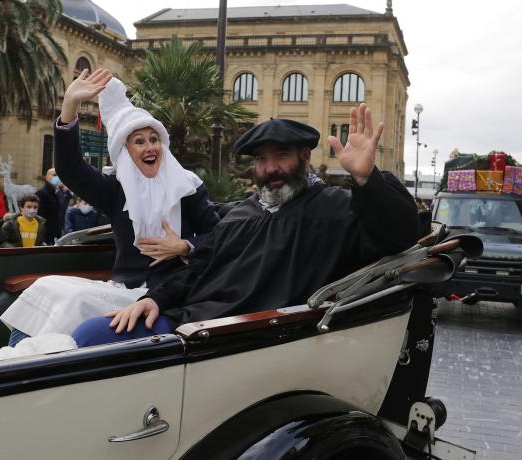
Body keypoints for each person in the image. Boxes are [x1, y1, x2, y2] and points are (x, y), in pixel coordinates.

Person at [71, 102, 419, 346]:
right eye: (262, 159)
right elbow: (198, 268)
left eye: (280, 155)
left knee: (89, 338)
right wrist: (155, 300)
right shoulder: (242, 214)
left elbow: (399, 235)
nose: (270, 168)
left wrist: (367, 179)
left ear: (305, 157)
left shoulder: (334, 208)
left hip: (241, 341)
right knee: (84, 332)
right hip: (188, 321)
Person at [0, 69, 220, 345]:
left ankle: (27, 365)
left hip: (170, 295)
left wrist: (185, 246)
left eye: (154, 139)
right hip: (121, 289)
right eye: (139, 141)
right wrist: (69, 106)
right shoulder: (116, 189)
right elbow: (71, 170)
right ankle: (16, 360)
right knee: (46, 287)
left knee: (75, 302)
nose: (149, 147)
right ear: (126, 153)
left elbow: (220, 237)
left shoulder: (188, 186)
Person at [36, 167, 62, 244]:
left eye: (58, 176)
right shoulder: (41, 194)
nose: (57, 178)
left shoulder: (56, 192)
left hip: (55, 234)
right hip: (47, 236)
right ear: (47, 177)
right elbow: (40, 218)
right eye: (54, 175)